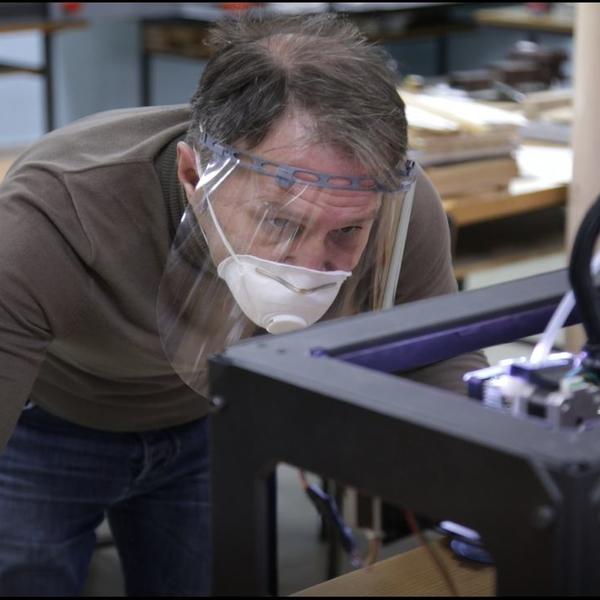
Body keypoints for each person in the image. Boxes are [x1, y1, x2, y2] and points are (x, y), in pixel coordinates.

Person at [0, 12, 487, 596]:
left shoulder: (388, 204)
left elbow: (440, 357)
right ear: (192, 174)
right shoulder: (57, 213)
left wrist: (492, 483)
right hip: (50, 423)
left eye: (345, 231)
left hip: (209, 416)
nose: (309, 264)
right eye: (279, 222)